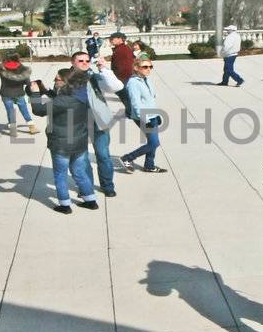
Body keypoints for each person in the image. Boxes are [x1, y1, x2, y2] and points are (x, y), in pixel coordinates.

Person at [30, 68, 99, 214]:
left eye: (57, 79)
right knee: (79, 172)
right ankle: (90, 201)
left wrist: (35, 93)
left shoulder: (63, 100)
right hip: (79, 142)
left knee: (60, 174)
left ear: (66, 82)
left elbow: (39, 110)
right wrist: (46, 90)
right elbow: (59, 99)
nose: (55, 81)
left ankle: (65, 205)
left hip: (61, 144)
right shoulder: (82, 95)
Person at [69, 49, 121, 198]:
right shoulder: (65, 77)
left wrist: (104, 68)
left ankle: (107, 186)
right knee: (82, 158)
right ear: (72, 62)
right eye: (81, 61)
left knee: (103, 155)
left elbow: (116, 87)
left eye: (87, 60)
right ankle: (86, 187)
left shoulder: (94, 76)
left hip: (99, 122)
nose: (85, 63)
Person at [0, 50, 39, 137]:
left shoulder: (2, 68)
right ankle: (32, 127)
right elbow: (27, 83)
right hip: (19, 93)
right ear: (16, 57)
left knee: (10, 111)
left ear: (6, 58)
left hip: (6, 93)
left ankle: (13, 130)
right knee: (24, 109)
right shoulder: (22, 68)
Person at [121, 58, 165, 174]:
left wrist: (156, 114)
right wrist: (145, 119)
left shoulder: (146, 79)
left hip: (152, 115)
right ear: (136, 68)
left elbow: (150, 99)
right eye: (145, 67)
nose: (148, 69)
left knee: (152, 143)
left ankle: (149, 165)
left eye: (150, 67)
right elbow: (136, 103)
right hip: (143, 117)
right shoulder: (133, 83)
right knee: (154, 143)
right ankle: (128, 158)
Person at [109, 33, 136, 116]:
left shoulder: (122, 49)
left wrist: (119, 78)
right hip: (124, 76)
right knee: (125, 96)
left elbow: (126, 65)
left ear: (120, 39)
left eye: (113, 38)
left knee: (125, 96)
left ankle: (131, 112)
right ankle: (131, 111)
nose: (111, 40)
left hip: (124, 76)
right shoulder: (120, 49)